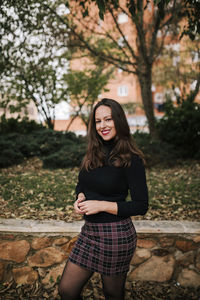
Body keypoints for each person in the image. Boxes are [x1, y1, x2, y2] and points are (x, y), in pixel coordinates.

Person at [59, 98, 148, 300]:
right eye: (98, 121)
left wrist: (100, 205)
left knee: (112, 294)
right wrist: (79, 197)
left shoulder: (131, 159)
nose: (103, 126)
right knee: (67, 290)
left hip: (116, 236)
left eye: (108, 119)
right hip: (89, 233)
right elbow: (82, 184)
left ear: (119, 121)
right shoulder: (93, 152)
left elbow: (141, 205)